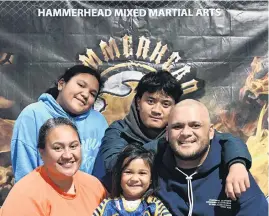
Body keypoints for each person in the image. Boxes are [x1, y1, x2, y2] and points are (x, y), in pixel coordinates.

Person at [91, 100, 268, 216]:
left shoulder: (235, 175)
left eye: (195, 125)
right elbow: (109, 214)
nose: (185, 133)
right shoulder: (148, 170)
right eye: (177, 126)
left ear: (211, 133)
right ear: (166, 134)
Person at [92, 70, 252, 200]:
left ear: (175, 107)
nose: (156, 110)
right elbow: (114, 165)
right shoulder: (119, 131)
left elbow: (226, 139)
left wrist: (237, 164)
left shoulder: (180, 131)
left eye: (166, 104)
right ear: (138, 102)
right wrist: (165, 142)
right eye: (150, 101)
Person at [11, 65, 108, 182]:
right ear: (61, 84)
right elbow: (24, 169)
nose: (85, 94)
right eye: (81, 85)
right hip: (41, 197)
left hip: (86, 197)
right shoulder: (33, 114)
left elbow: (102, 170)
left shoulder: (98, 121)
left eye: (93, 94)